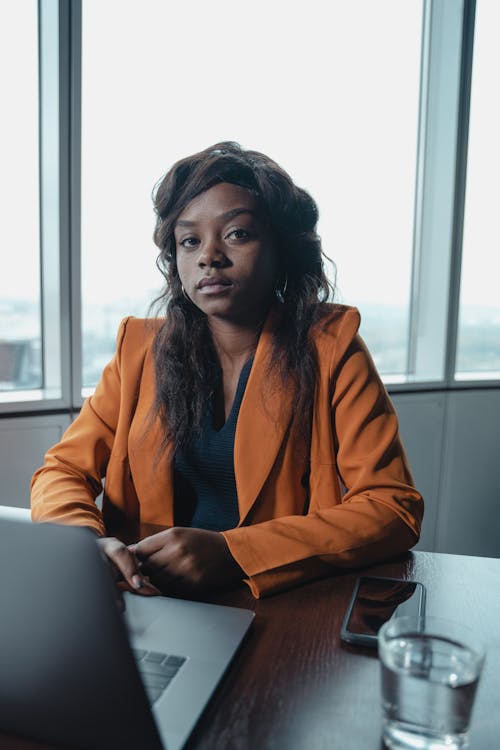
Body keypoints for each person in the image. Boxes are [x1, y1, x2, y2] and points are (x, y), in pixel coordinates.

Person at [31, 141, 423, 599]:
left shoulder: (332, 349)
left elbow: (392, 507)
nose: (208, 256)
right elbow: (63, 470)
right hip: (143, 595)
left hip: (273, 599)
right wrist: (85, 542)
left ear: (281, 248)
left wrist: (235, 551)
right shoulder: (138, 349)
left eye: (237, 234)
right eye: (190, 240)